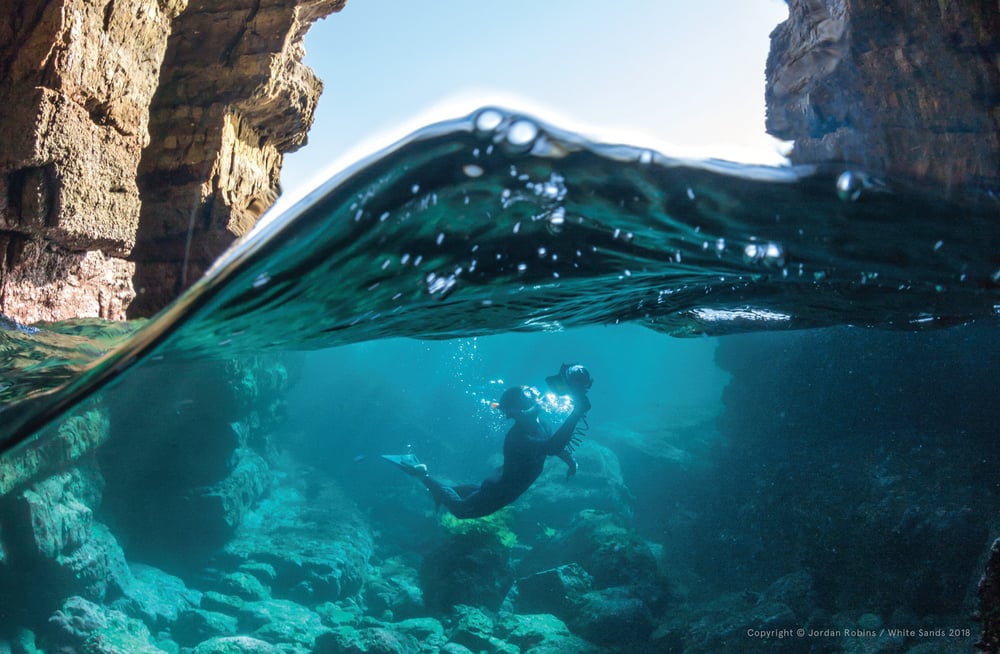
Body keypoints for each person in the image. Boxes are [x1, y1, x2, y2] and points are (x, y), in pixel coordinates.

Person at [383, 364, 593, 519]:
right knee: (461, 511)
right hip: (500, 491)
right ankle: (423, 475)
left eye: (532, 393)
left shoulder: (542, 425)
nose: (536, 395)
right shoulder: (518, 438)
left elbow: (553, 446)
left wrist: (570, 460)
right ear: (518, 411)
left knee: (472, 493)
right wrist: (575, 413)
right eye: (528, 396)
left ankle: (437, 485)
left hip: (499, 484)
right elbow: (552, 446)